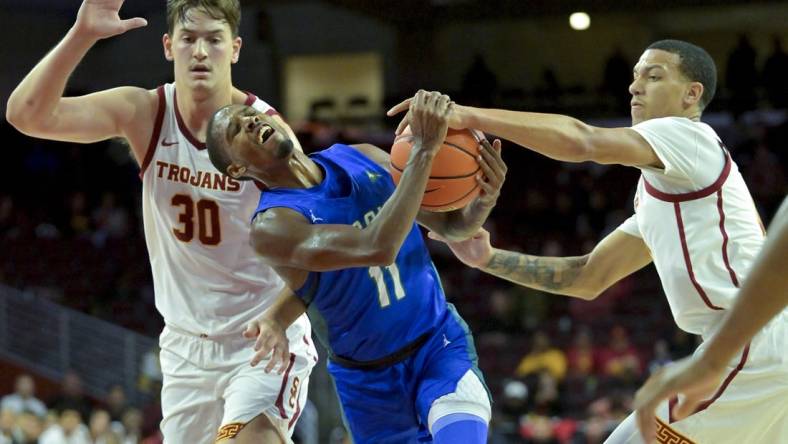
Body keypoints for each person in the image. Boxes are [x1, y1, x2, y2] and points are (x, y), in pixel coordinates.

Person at [390, 40, 787, 442]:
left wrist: (466, 114)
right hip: (764, 351)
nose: (635, 87)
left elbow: (582, 140)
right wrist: (488, 258)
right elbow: (588, 276)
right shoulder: (665, 189)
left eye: (653, 76)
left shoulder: (688, 136)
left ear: (692, 94)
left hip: (752, 348)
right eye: (634, 77)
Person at [5, 1, 315, 442]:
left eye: (214, 39)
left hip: (259, 338)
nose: (201, 52)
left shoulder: (266, 134)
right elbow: (26, 115)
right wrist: (82, 35)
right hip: (185, 348)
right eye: (189, 39)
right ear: (169, 47)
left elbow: (316, 243)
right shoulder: (145, 112)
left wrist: (283, 317)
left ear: (236, 49)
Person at [204, 90, 507, 443]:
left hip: (436, 346)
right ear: (237, 170)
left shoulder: (363, 156)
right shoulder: (273, 227)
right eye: (236, 130)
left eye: (251, 114)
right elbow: (378, 247)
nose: (252, 120)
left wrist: (485, 197)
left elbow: (452, 226)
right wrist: (423, 152)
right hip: (369, 386)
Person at [633, 196, 788, 443]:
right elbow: (589, 277)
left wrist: (713, 361)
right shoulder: (647, 200)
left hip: (758, 352)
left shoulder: (691, 161)